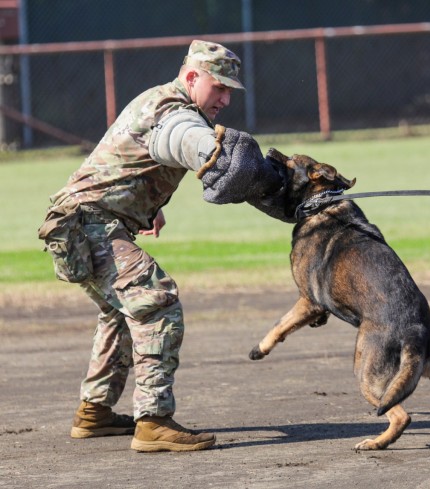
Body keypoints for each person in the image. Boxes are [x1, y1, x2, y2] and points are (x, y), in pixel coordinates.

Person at [37, 40, 290, 453]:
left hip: (85, 221)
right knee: (156, 301)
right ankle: (153, 421)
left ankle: (94, 412)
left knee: (121, 310)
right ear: (192, 77)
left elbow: (132, 159)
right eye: (219, 87)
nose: (225, 98)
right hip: (88, 224)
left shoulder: (161, 100)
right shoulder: (175, 114)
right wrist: (230, 160)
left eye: (230, 91)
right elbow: (187, 141)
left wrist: (148, 207)